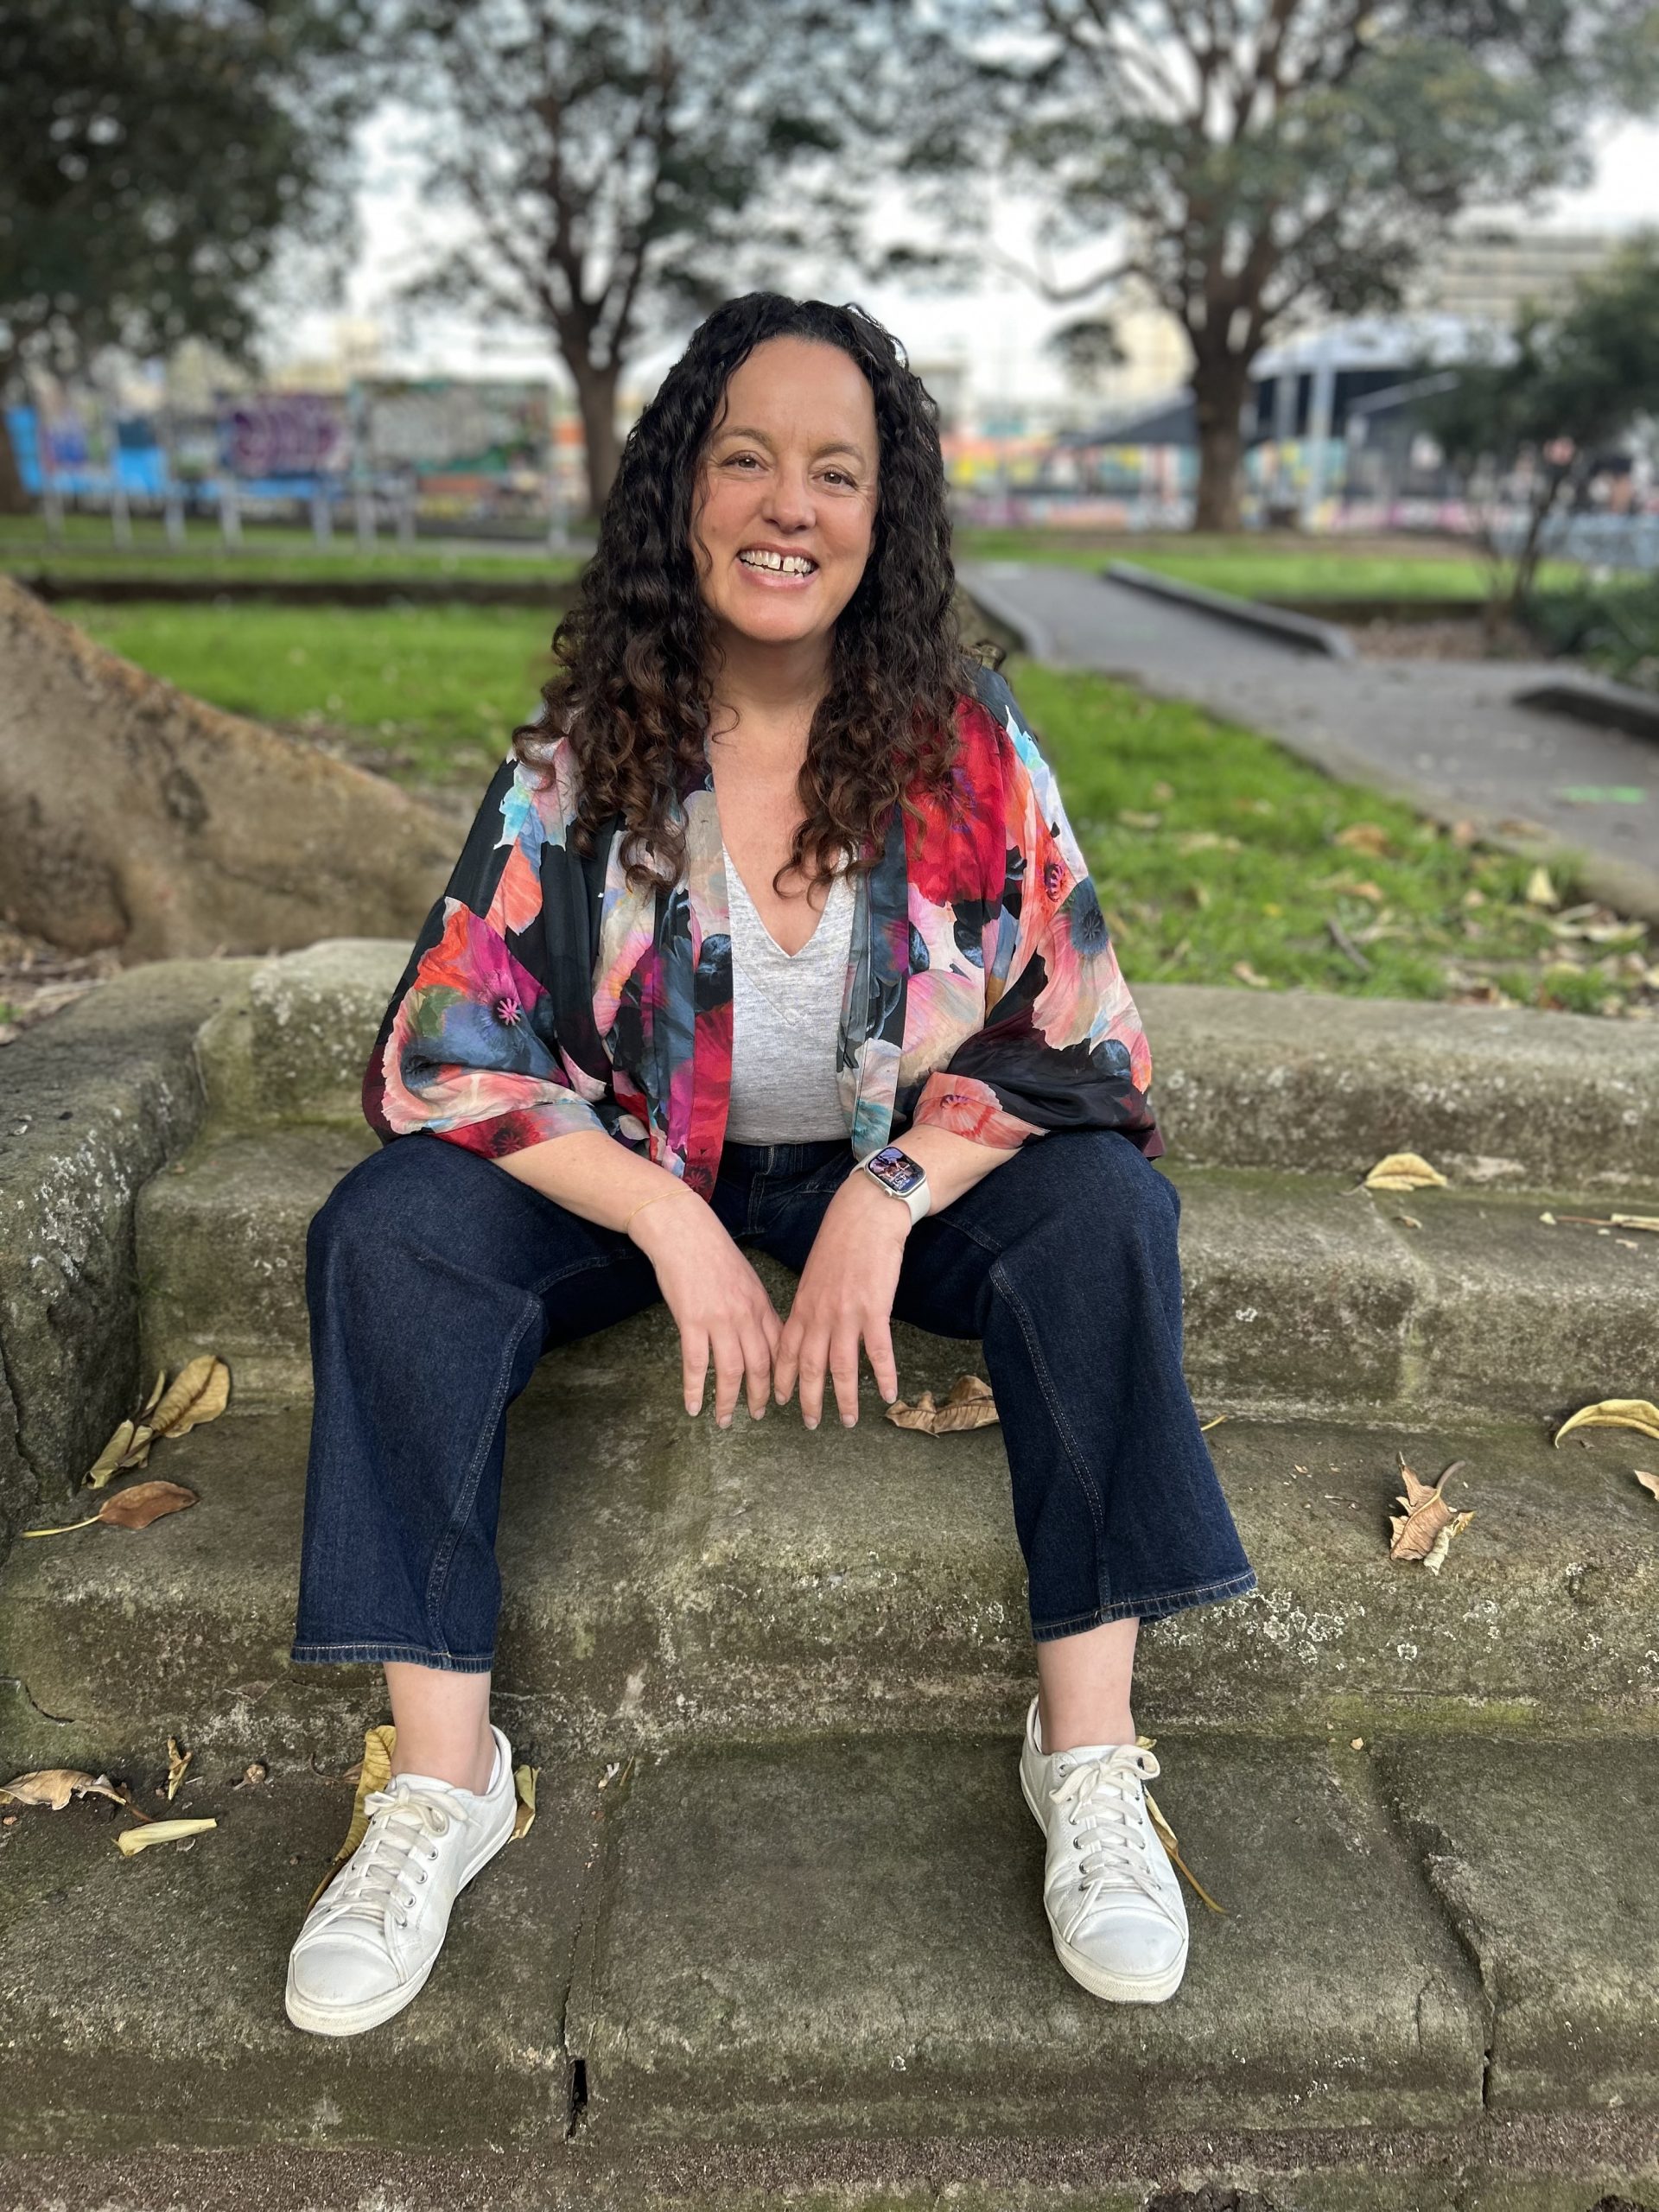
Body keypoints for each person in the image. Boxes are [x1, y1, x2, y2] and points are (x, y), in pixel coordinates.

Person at [283, 293, 1257, 2040]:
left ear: (885, 516)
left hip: (903, 1173)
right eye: (745, 460)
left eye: (835, 470)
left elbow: (1081, 1034)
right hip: (640, 1166)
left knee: (1111, 1212)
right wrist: (666, 1216)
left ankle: (1090, 1755)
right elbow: (444, 1046)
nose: (788, 505)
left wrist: (892, 1193)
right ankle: (442, 1778)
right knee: (388, 1234)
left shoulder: (967, 745)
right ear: (685, 495)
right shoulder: (581, 763)